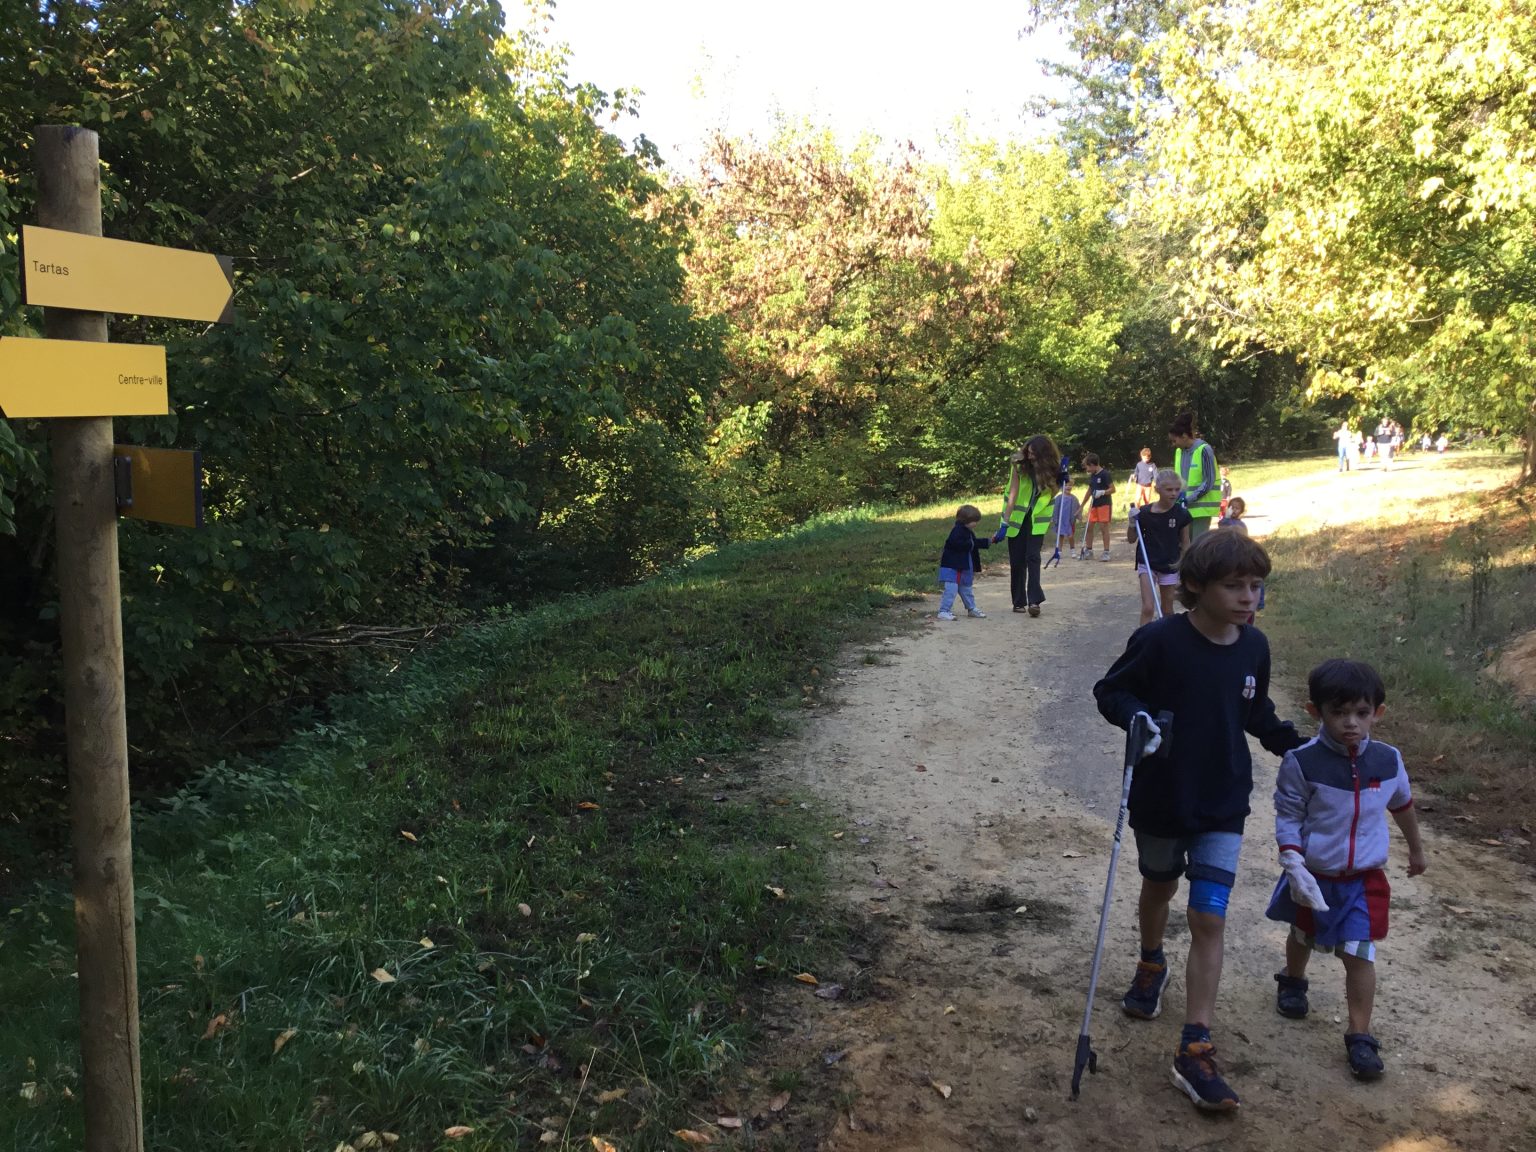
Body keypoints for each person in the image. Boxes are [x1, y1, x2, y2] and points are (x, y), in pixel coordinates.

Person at [1093, 531, 1303, 1112]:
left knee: (1209, 915)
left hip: (1224, 799)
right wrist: (1137, 716)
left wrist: (1299, 747)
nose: (1248, 597)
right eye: (1234, 586)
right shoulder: (1159, 640)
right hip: (1163, 797)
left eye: (1256, 586)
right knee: (1159, 886)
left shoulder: (1253, 645)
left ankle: (1195, 1045)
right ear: (1194, 586)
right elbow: (1111, 691)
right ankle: (1151, 961)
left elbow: (1255, 711)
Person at [1265, 659, 1427, 1082]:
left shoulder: (1389, 760)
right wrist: (1292, 858)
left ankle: (1360, 1035)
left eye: (1361, 712)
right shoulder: (1301, 762)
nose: (1351, 723)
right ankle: (1293, 980)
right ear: (1315, 711)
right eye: (1338, 713)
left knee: (1359, 953)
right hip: (1314, 875)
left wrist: (1416, 849)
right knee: (1303, 934)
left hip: (1363, 881)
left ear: (1378, 712)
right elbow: (1288, 815)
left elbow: (1402, 805)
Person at [994, 435, 1060, 617]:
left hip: (1037, 520)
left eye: (1033, 454)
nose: (1030, 456)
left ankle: (1034, 601)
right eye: (1028, 452)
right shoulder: (1018, 465)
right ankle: (1018, 601)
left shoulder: (1053, 469)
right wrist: (1004, 523)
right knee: (1017, 561)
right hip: (1017, 519)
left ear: (1043, 454)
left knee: (1033, 557)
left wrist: (1061, 480)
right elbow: (1013, 493)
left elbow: (1052, 492)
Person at [1127, 469, 1191, 626]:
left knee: (1167, 610)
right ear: (1157, 490)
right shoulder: (1144, 512)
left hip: (1170, 565)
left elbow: (1185, 543)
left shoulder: (1182, 514)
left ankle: (1166, 638)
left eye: (1177, 489)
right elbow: (1131, 539)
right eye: (1169, 490)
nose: (1174, 493)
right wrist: (1132, 523)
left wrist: (1185, 566)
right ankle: (1143, 638)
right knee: (1148, 607)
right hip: (1147, 563)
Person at [1168, 411, 1220, 539]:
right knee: (1184, 546)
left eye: (1174, 441)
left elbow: (1209, 482)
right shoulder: (1179, 452)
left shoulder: (1204, 450)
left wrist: (1189, 499)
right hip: (1184, 509)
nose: (1173, 445)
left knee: (1197, 546)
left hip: (1201, 510)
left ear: (1184, 436)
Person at [936, 504, 991, 621]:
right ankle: (944, 611)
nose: (976, 523)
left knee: (966, 589)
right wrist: (970, 544)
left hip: (963, 568)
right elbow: (956, 544)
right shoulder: (957, 531)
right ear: (966, 520)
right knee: (951, 590)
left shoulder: (968, 531)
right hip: (952, 567)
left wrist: (989, 541)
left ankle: (971, 608)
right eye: (974, 521)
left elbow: (974, 543)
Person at [1078, 452, 1116, 561]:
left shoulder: (1105, 474)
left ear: (1092, 465)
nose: (1087, 470)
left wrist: (1102, 492)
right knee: (1089, 527)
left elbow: (1113, 489)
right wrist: (1082, 505)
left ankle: (1106, 552)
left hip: (1104, 505)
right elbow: (1090, 490)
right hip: (1093, 505)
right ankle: (1089, 550)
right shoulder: (1093, 475)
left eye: (1087, 467)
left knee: (1104, 528)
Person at [1053, 484, 1082, 558]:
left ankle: (1073, 550)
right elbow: (1055, 509)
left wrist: (1079, 516)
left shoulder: (1074, 498)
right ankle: (1059, 551)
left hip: (1069, 520)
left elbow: (1078, 508)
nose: (1068, 487)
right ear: (1062, 487)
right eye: (1066, 485)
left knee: (1070, 536)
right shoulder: (1059, 498)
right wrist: (1054, 518)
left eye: (1070, 485)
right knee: (1060, 536)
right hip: (1061, 520)